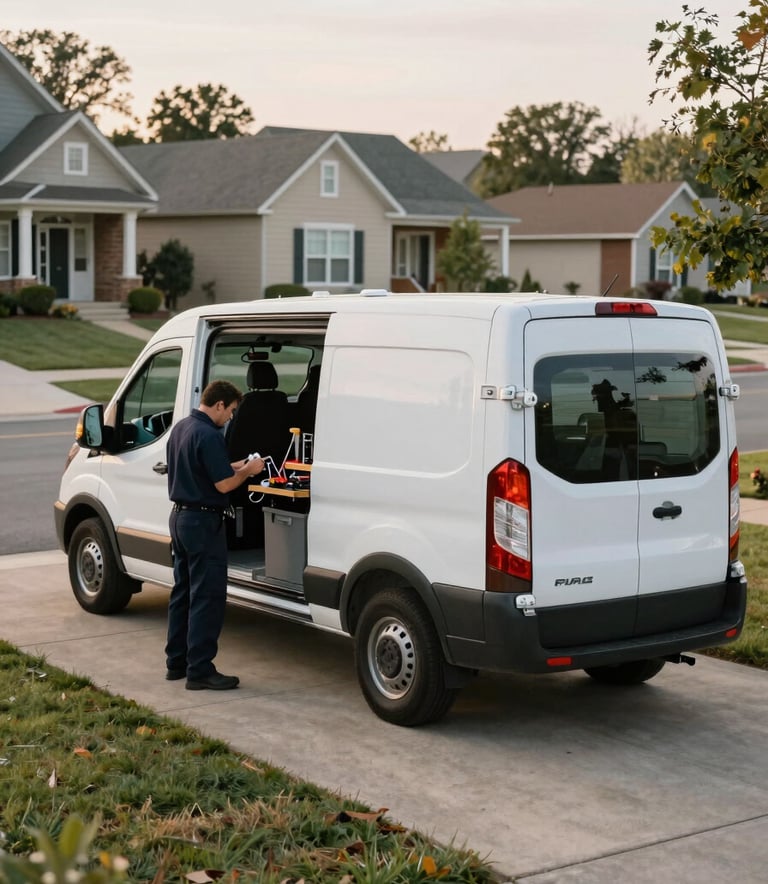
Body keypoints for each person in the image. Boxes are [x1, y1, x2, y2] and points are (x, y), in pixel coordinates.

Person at [165, 379, 265, 690]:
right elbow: (223, 485)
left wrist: (235, 465)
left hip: (179, 518)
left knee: (182, 592)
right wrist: (248, 471)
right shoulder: (209, 434)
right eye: (232, 411)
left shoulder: (182, 428)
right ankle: (200, 670)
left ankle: (176, 663)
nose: (232, 417)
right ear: (219, 404)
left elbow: (206, 468)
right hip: (203, 523)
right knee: (207, 597)